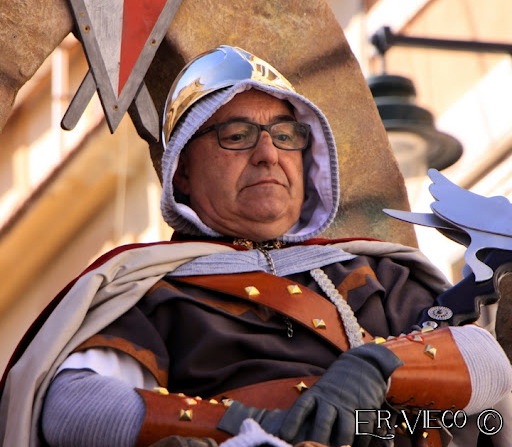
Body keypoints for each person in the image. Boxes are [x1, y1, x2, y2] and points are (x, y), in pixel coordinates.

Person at [1, 45, 511, 447]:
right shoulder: (149, 294)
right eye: (237, 134)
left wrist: (379, 366)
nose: (268, 153)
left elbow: (489, 365)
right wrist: (245, 428)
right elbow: (73, 407)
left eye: (285, 135)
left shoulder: (378, 273)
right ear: (182, 171)